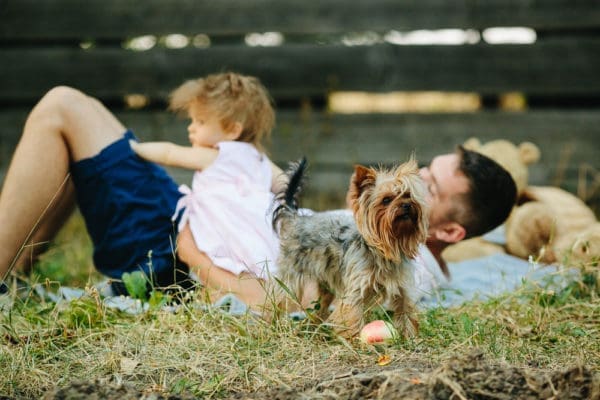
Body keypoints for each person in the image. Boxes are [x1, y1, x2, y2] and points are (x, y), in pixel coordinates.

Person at [0, 73, 516, 308]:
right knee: (74, 113)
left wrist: (193, 256)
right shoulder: (380, 245)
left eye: (426, 186)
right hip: (203, 218)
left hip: (179, 253)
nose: (407, 186)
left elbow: (294, 300)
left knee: (64, 107)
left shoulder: (413, 272)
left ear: (447, 229)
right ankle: (11, 275)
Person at [0, 72, 285, 305]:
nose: (192, 128)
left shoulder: (237, 162)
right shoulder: (253, 160)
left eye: (200, 121)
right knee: (80, 108)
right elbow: (287, 186)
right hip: (173, 218)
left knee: (60, 105)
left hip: (164, 251)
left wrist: (134, 148)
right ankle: (14, 272)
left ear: (233, 128)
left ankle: (6, 270)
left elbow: (172, 153)